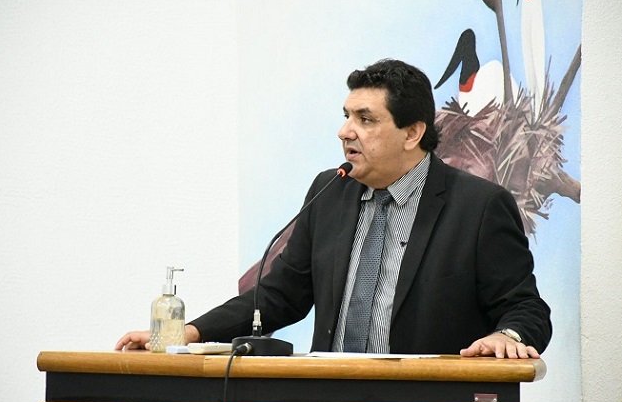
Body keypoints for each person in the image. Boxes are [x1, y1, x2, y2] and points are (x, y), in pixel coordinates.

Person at [116, 59, 552, 358]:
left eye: (366, 119)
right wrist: (191, 332)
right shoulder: (330, 191)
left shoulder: (478, 207)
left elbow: (527, 308)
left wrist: (507, 335)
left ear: (412, 133)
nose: (345, 131)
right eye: (347, 116)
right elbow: (280, 295)